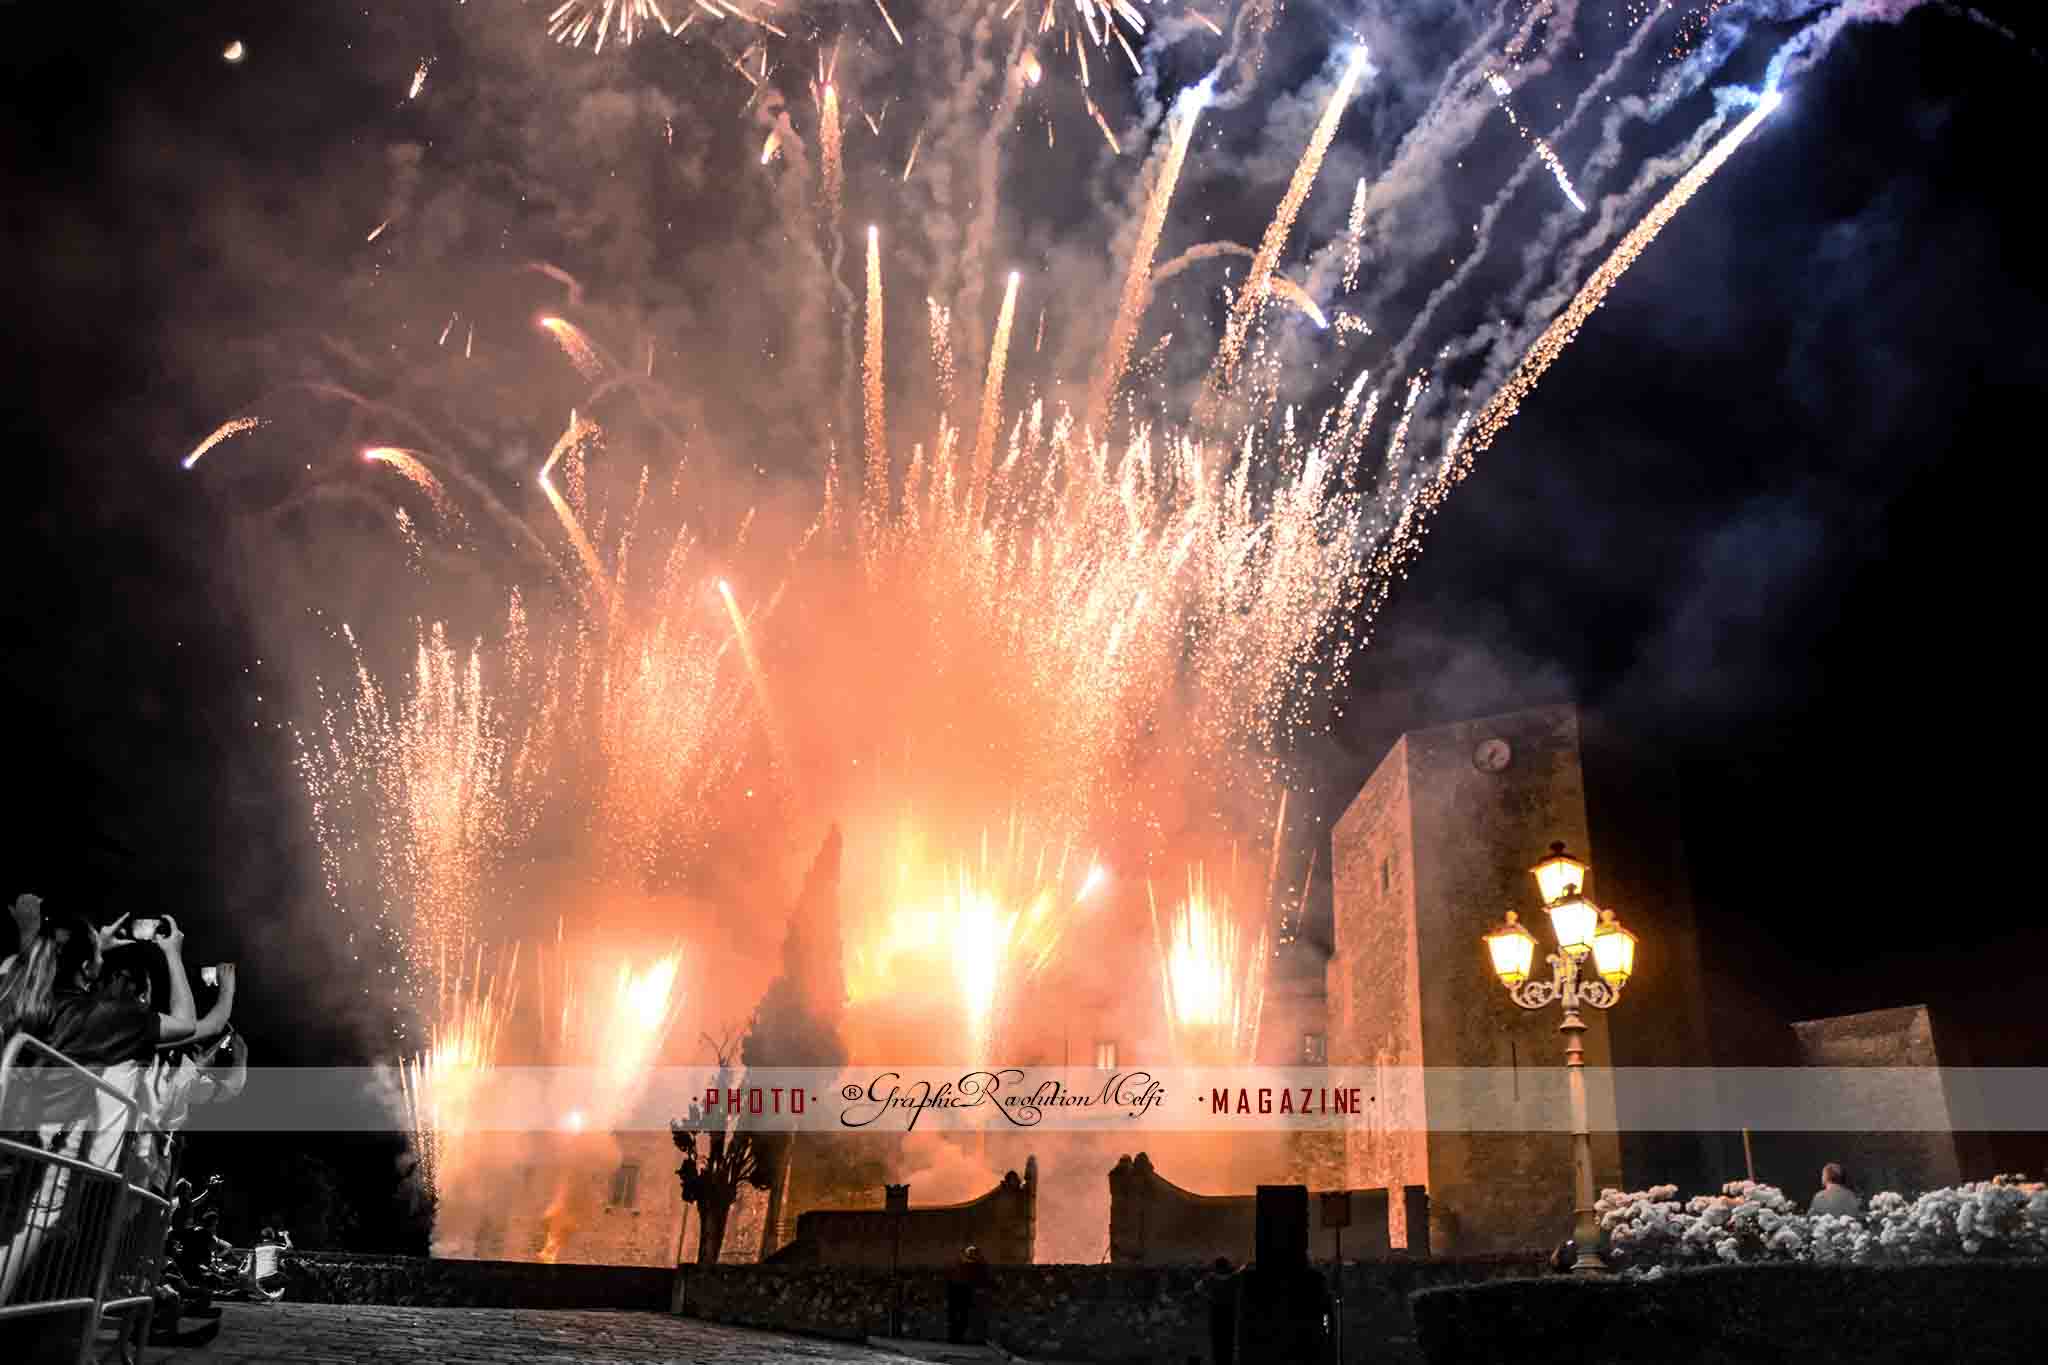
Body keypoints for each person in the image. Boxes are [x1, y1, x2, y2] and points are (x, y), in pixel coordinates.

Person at [945, 1244, 991, 1344]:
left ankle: (956, 1337)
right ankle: (955, 1337)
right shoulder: (967, 1264)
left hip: (962, 1291)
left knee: (961, 1316)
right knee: (959, 1316)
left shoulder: (966, 1264)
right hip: (961, 1291)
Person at [1203, 1256, 1237, 1365]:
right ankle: (1227, 1360)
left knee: (1217, 1337)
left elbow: (1197, 1288)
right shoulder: (1234, 1278)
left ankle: (1218, 1360)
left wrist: (1209, 1297)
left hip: (1216, 1309)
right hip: (1229, 1309)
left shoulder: (1210, 1278)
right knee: (1228, 1337)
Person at [243, 1226, 286, 1303]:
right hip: (272, 1277)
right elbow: (290, 1247)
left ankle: (264, 1296)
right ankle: (272, 1296)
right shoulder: (276, 1245)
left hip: (259, 1280)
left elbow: (249, 1265)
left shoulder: (255, 1247)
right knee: (286, 1278)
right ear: (272, 1236)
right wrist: (286, 1235)